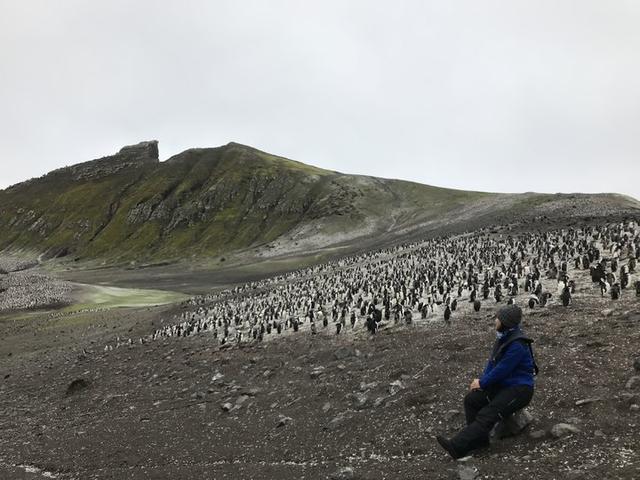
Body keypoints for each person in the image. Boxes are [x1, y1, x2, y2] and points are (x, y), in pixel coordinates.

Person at [436, 304, 536, 459]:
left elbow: (503, 369)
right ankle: (480, 442)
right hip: (504, 385)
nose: (495, 320)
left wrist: (483, 383)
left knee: (487, 413)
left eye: (498, 318)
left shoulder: (517, 344)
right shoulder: (504, 338)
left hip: (520, 389)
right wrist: (482, 383)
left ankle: (457, 446)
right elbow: (492, 363)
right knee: (472, 400)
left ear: (506, 322)